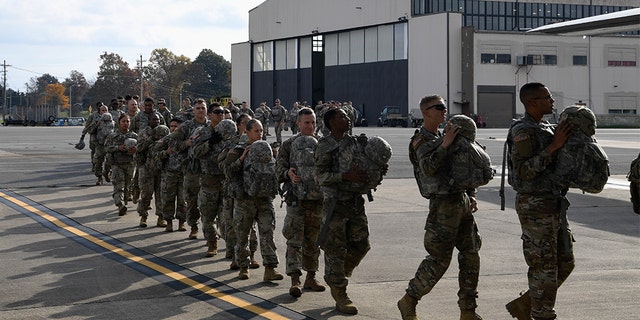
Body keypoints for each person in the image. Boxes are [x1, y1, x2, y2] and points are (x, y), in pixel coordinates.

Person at [397, 95, 483, 320]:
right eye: (440, 108)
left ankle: (468, 311)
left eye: (445, 107)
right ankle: (409, 300)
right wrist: (444, 145)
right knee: (439, 259)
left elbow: (463, 168)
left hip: (461, 201)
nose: (445, 111)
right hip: (442, 206)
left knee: (471, 255)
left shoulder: (448, 135)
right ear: (426, 112)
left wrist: (471, 194)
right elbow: (428, 168)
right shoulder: (420, 140)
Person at [505, 82, 574, 320]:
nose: (552, 101)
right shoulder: (523, 132)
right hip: (534, 205)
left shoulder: (544, 127)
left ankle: (525, 305)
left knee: (565, 262)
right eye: (547, 97)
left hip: (553, 203)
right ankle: (542, 314)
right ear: (532, 102)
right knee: (543, 266)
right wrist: (554, 147)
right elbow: (523, 171)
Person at [314, 108, 384, 315]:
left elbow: (365, 164)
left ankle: (337, 276)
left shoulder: (355, 142)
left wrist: (376, 170)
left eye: (347, 116)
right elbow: (319, 177)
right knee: (335, 250)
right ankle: (340, 293)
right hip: (335, 205)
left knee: (362, 245)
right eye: (342, 117)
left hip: (355, 202)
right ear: (331, 122)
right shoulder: (325, 146)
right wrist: (344, 176)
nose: (347, 119)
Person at [221, 119, 284, 281]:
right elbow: (228, 172)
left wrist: (275, 158)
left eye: (261, 131)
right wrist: (242, 158)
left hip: (264, 199)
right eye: (256, 131)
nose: (260, 134)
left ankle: (270, 268)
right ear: (247, 132)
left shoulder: (266, 149)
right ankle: (243, 266)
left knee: (267, 233)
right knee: (242, 235)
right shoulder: (238, 149)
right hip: (244, 200)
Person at [276, 107, 326, 298]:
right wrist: (287, 173)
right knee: (294, 240)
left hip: (317, 201)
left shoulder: (322, 144)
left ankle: (311, 277)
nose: (311, 126)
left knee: (314, 241)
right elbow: (278, 167)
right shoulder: (289, 145)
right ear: (298, 123)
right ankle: (295, 279)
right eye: (307, 122)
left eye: (313, 122)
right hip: (297, 200)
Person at [220, 113, 260, 270]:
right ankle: (235, 255)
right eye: (245, 123)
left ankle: (252, 255)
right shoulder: (233, 144)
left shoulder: (261, 145)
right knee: (234, 226)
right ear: (240, 126)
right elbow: (224, 166)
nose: (249, 126)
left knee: (253, 228)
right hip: (235, 191)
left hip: (254, 192)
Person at [169, 98, 209, 239]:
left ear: (206, 110)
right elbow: (173, 143)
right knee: (192, 200)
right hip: (192, 169)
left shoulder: (211, 126)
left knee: (208, 201)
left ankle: (210, 229)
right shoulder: (186, 126)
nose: (200, 110)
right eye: (197, 108)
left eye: (202, 108)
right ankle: (193, 226)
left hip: (208, 170)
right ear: (193, 110)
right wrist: (187, 143)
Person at [192, 103, 227, 257]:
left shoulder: (230, 131)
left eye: (223, 112)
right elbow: (196, 152)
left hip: (226, 180)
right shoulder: (202, 132)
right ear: (210, 115)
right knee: (207, 215)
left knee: (227, 217)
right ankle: (212, 243)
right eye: (217, 112)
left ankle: (231, 248)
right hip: (209, 180)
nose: (220, 114)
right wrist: (210, 143)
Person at [154, 118, 188, 232]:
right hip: (169, 174)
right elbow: (155, 153)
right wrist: (166, 153)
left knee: (183, 200)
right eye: (172, 126)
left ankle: (182, 222)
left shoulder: (186, 140)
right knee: (168, 199)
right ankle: (168, 222)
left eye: (176, 126)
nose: (173, 128)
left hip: (183, 174)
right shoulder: (166, 140)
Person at [135, 113, 165, 228]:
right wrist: (151, 138)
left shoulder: (163, 132)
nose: (156, 122)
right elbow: (139, 148)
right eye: (154, 119)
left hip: (160, 167)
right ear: (149, 121)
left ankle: (161, 217)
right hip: (146, 167)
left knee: (161, 194)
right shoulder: (144, 133)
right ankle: (143, 216)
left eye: (158, 120)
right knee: (146, 193)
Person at [105, 114, 138, 216]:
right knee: (119, 185)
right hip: (117, 164)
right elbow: (106, 148)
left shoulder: (134, 136)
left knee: (128, 186)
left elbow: (141, 149)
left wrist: (135, 150)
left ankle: (124, 202)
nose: (125, 123)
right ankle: (120, 205)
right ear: (119, 123)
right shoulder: (112, 136)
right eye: (123, 121)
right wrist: (117, 148)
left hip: (130, 164)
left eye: (127, 121)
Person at [93, 105, 114, 185]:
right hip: (100, 145)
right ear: (100, 111)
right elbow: (90, 130)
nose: (104, 111)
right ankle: (99, 177)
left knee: (110, 161)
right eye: (102, 110)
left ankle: (107, 173)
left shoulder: (113, 122)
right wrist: (96, 125)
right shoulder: (97, 121)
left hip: (109, 145)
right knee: (98, 161)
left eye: (106, 110)